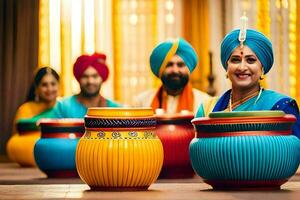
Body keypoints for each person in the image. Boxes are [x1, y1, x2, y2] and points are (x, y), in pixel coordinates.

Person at [196, 28, 300, 138]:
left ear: (262, 68)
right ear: (227, 67)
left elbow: (292, 152)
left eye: (250, 60)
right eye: (235, 60)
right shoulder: (206, 109)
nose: (242, 67)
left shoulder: (281, 107)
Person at [134, 38, 210, 114]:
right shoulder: (142, 102)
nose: (175, 70)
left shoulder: (204, 102)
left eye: (180, 65)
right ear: (160, 70)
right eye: (169, 65)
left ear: (188, 69)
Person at [7, 66, 60, 162]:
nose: (49, 89)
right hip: (28, 161)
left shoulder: (62, 108)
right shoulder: (26, 109)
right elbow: (17, 140)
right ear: (37, 88)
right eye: (44, 85)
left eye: (53, 84)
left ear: (59, 86)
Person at [54, 52, 120, 118]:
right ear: (78, 78)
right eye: (85, 76)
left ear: (102, 78)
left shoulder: (116, 110)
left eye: (95, 76)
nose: (90, 81)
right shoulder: (62, 107)